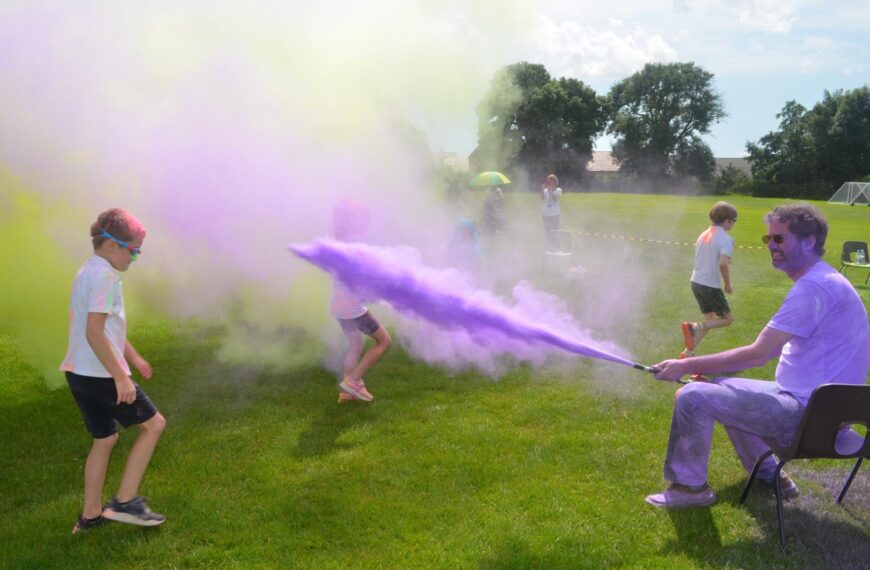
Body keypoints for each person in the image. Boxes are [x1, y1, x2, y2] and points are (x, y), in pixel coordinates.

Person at [646, 204, 870, 509]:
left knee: (693, 396)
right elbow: (765, 352)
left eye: (780, 239)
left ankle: (689, 489)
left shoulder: (814, 287)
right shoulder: (825, 280)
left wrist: (685, 364)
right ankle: (771, 476)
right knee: (722, 387)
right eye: (768, 239)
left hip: (809, 417)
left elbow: (758, 354)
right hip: (825, 412)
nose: (771, 246)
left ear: (809, 241)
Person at [61, 208, 167, 533]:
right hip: (101, 374)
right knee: (154, 425)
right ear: (111, 245)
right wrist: (121, 376)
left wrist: (133, 357)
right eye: (133, 251)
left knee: (105, 439)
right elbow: (95, 332)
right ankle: (125, 502)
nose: (134, 258)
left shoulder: (88, 270)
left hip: (78, 372)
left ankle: (90, 516)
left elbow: (106, 329)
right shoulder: (106, 278)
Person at [331, 198, 392, 403]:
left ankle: (347, 393)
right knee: (384, 341)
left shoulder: (338, 239)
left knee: (355, 345)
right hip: (352, 307)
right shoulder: (353, 243)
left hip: (338, 306)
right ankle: (353, 382)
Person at [680, 201, 738, 358]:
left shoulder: (704, 234)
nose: (734, 223)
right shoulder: (726, 239)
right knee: (727, 319)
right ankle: (694, 327)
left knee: (710, 320)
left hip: (696, 282)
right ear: (727, 220)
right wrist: (728, 284)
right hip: (710, 285)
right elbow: (723, 264)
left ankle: (688, 353)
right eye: (734, 220)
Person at [540, 174, 562, 250]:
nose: (549, 183)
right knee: (547, 231)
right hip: (546, 214)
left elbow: (556, 199)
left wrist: (550, 190)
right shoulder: (546, 190)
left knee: (555, 231)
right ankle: (549, 246)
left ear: (555, 182)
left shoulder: (558, 190)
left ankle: (556, 246)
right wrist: (543, 189)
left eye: (551, 182)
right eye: (548, 182)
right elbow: (541, 198)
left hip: (555, 214)